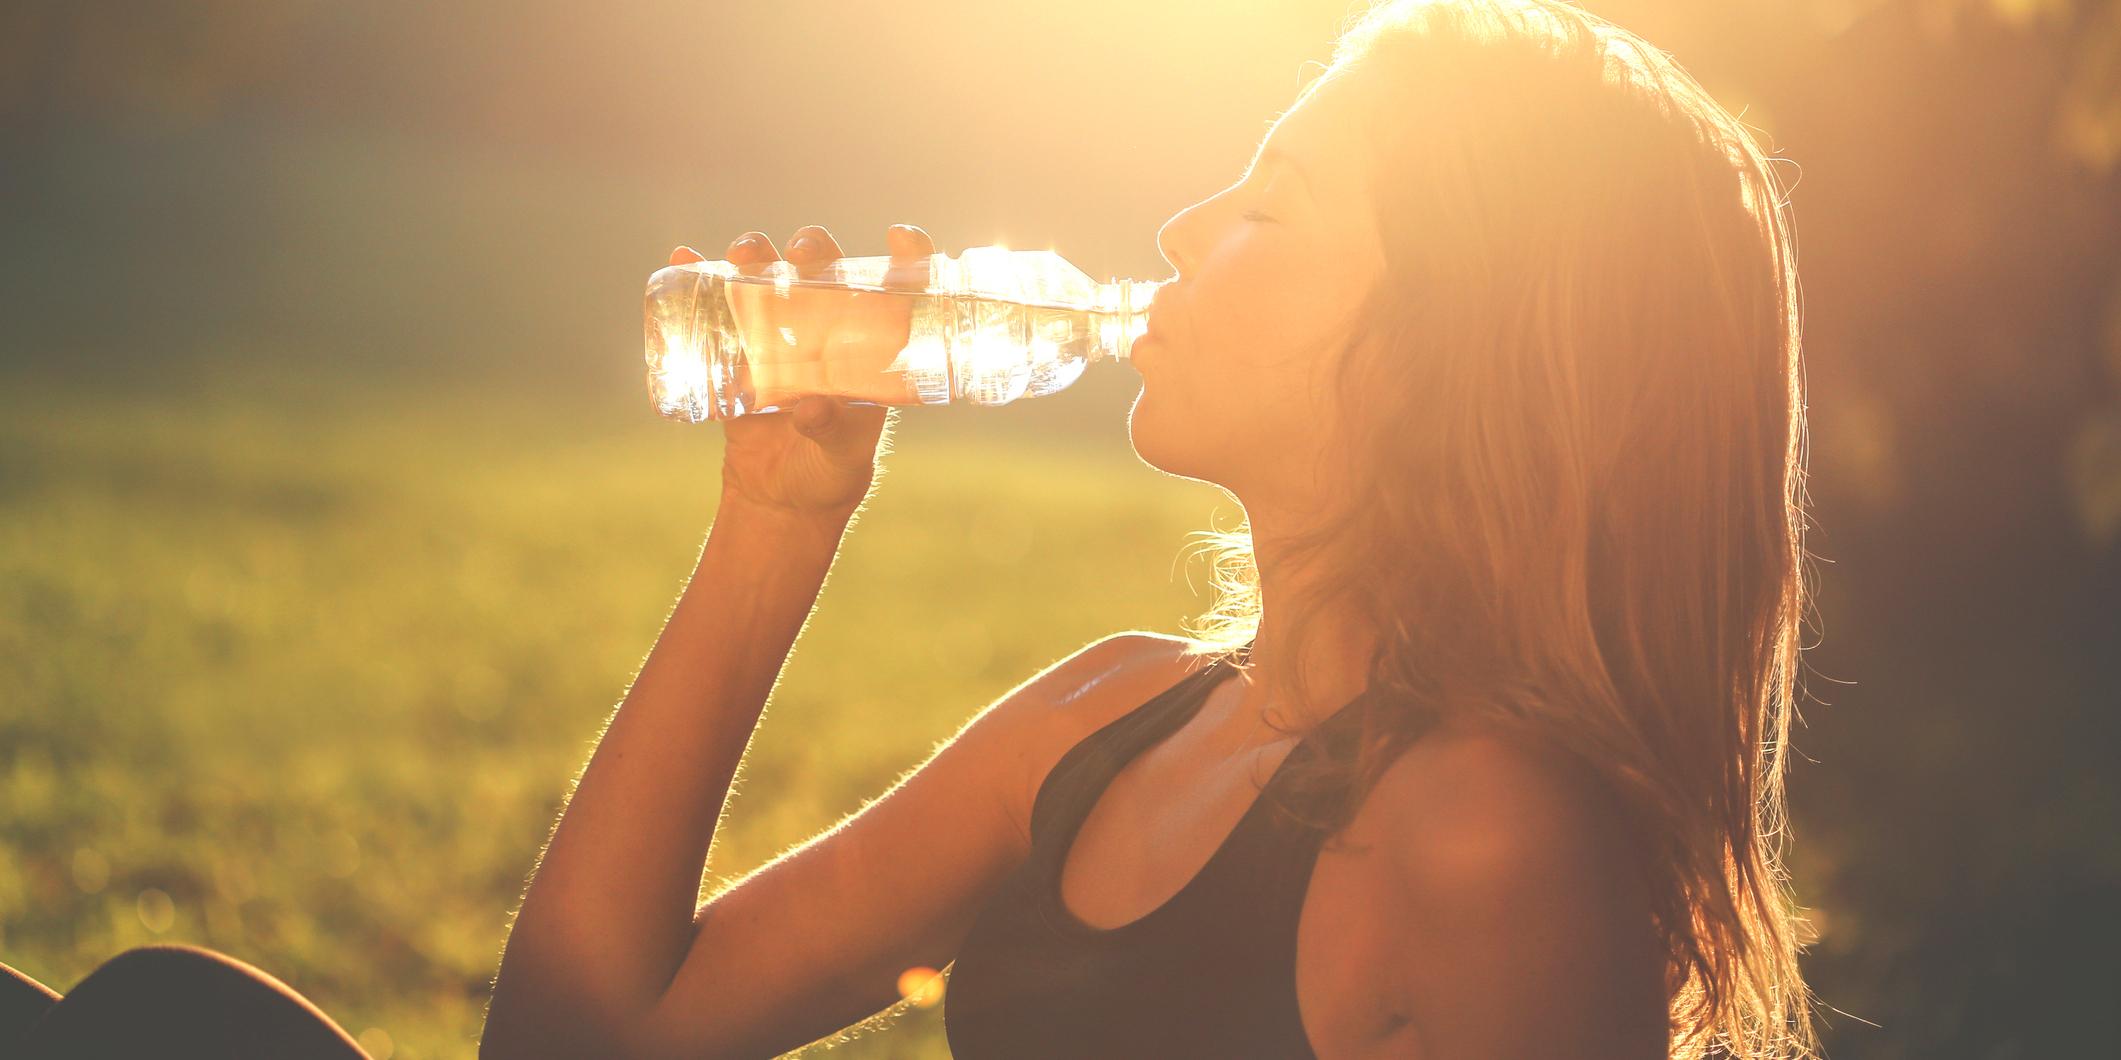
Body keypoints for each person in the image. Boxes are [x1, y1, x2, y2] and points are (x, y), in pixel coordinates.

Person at [481, 0, 1822, 1057]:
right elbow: (582, 1037)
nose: (1179, 233)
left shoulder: (1487, 836)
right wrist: (775, 519)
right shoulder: (1103, 723)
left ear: (1447, 353)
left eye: (1268, 206)